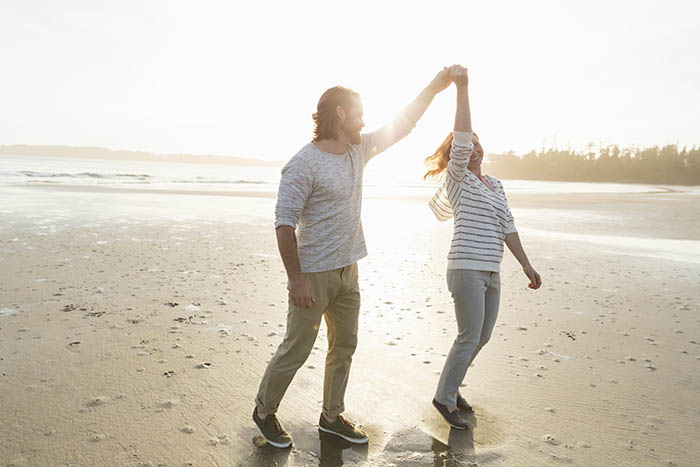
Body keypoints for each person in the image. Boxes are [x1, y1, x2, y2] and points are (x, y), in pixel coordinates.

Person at [253, 67, 454, 448]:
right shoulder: (303, 163)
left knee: (344, 347)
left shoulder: (358, 150)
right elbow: (283, 223)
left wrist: (435, 87)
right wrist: (296, 280)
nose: (364, 120)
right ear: (341, 114)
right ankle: (264, 411)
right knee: (296, 349)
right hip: (312, 275)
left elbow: (405, 122)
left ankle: (331, 417)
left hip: (349, 272)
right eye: (358, 113)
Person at [425, 65, 542, 429]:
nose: (471, 146)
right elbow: (460, 138)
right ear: (455, 153)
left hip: (492, 267)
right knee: (468, 335)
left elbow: (508, 226)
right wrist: (463, 88)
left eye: (477, 141)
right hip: (465, 266)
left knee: (483, 335)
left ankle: (452, 386)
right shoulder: (457, 178)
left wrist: (526, 264)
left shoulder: (496, 184)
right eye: (465, 143)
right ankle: (445, 400)